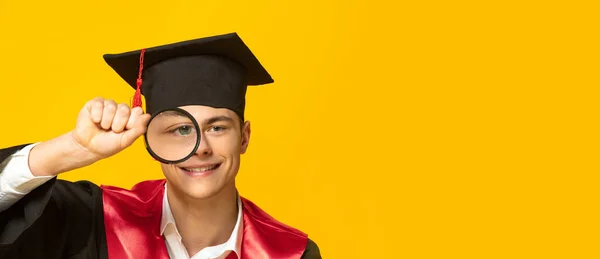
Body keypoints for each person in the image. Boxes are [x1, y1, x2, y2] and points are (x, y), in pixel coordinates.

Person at [0, 32, 321, 259]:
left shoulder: (288, 253)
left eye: (218, 127)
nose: (200, 147)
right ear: (150, 140)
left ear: (244, 137)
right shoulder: (92, 219)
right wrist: (71, 147)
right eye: (180, 129)